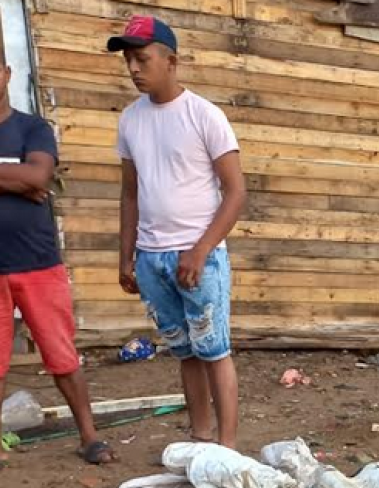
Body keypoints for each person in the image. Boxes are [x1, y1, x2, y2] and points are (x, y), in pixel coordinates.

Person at [0, 29, 116, 474]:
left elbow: (39, 178)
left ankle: (90, 436)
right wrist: (13, 180)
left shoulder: (33, 127)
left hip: (39, 263)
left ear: (7, 72)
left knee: (61, 354)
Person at [108, 16, 247, 448]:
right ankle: (200, 438)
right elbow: (130, 195)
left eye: (142, 58)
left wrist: (202, 249)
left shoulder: (204, 115)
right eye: (128, 59)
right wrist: (126, 256)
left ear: (172, 61)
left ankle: (226, 448)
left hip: (198, 257)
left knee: (215, 350)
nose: (133, 68)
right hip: (152, 259)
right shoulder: (131, 120)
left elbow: (236, 191)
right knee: (185, 353)